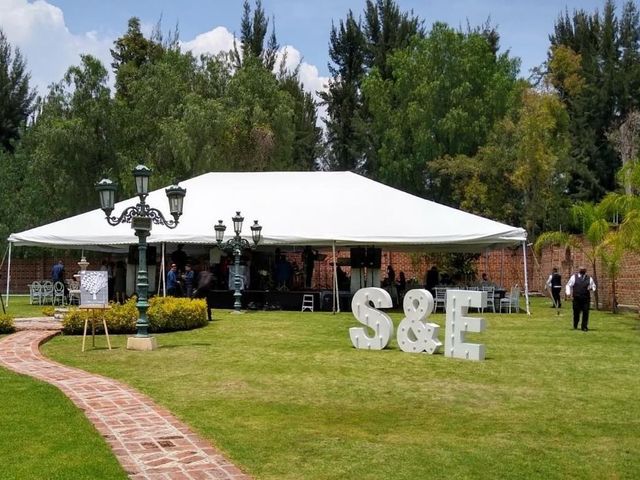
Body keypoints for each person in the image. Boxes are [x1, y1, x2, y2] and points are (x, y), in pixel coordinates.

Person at [565, 266, 596, 331]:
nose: (582, 271)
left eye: (584, 270)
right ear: (579, 270)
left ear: (585, 271)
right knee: (576, 313)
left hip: (586, 299)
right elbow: (568, 285)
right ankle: (575, 324)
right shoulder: (574, 277)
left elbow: (593, 286)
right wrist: (568, 293)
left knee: (585, 312)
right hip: (576, 298)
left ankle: (584, 326)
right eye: (581, 269)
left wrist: (591, 288)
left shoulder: (589, 278)